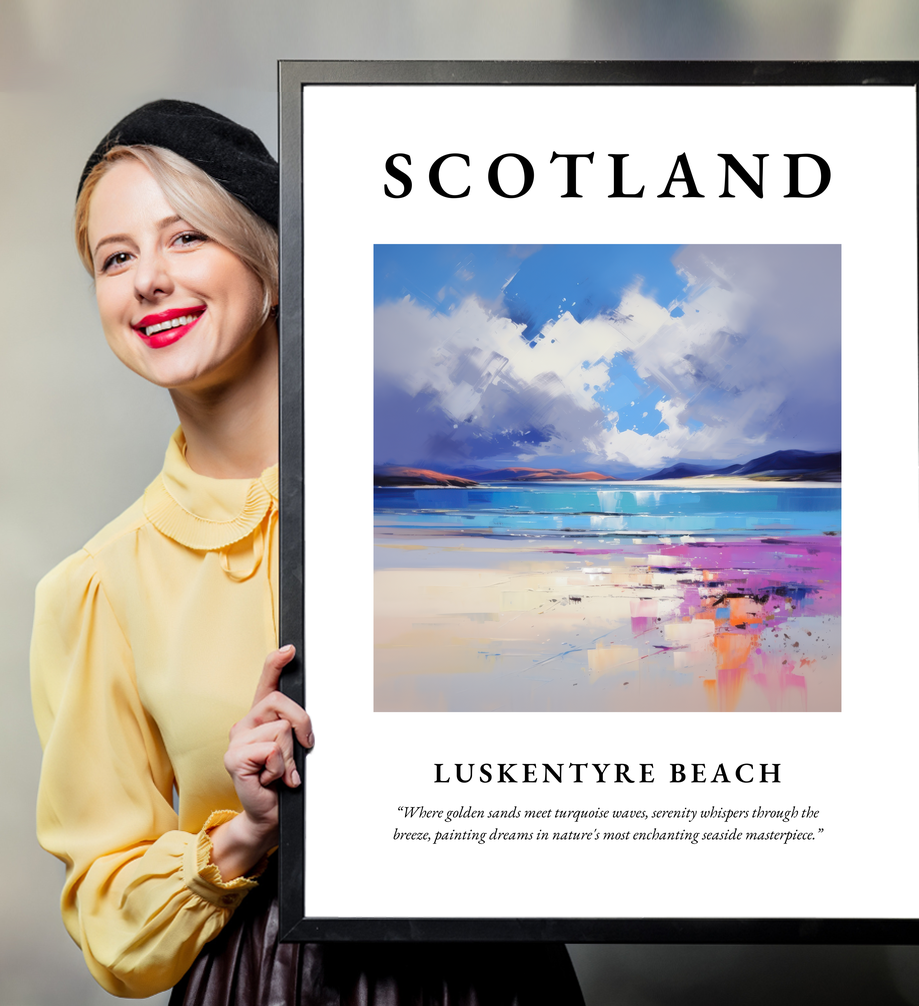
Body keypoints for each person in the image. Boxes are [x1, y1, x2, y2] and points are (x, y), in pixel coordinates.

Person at [30, 100, 585, 1004]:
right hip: (262, 982)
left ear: (273, 264)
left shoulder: (457, 497)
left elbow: (619, 695)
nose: (148, 281)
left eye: (186, 239)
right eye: (116, 257)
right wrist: (245, 832)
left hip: (492, 974)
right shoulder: (97, 587)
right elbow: (110, 923)